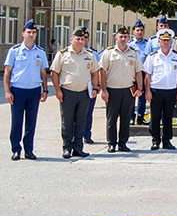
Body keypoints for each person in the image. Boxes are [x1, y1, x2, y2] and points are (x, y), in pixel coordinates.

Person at [51, 28, 101, 158]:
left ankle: (78, 147)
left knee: (81, 121)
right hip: (68, 92)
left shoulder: (89, 55)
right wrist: (57, 90)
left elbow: (95, 72)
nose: (80, 41)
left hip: (84, 93)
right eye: (77, 39)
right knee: (67, 121)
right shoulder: (63, 54)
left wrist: (95, 88)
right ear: (71, 39)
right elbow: (55, 72)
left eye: (82, 39)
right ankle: (67, 147)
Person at [4, 19, 49, 160]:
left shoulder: (40, 52)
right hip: (18, 90)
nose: (31, 34)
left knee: (31, 122)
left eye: (34, 32)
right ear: (23, 33)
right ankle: (16, 149)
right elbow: (7, 72)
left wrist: (45, 90)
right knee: (17, 122)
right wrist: (7, 91)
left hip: (34, 91)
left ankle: (29, 150)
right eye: (28, 32)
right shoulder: (14, 51)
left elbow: (43, 73)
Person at [98, 27, 143, 153]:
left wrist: (140, 88)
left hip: (128, 91)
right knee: (112, 119)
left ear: (128, 39)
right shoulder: (108, 53)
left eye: (125, 37)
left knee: (125, 118)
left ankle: (123, 143)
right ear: (115, 38)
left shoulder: (133, 53)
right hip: (112, 90)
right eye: (120, 37)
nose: (123, 39)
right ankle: (111, 143)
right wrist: (104, 90)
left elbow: (138, 71)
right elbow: (102, 72)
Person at [143, 28, 177, 150]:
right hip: (156, 90)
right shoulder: (152, 57)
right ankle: (155, 140)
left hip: (171, 90)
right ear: (159, 42)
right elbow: (147, 75)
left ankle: (167, 140)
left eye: (168, 40)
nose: (166, 42)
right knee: (155, 116)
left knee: (168, 117)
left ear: (171, 41)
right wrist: (148, 91)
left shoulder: (176, 56)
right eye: (163, 40)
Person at [129, 19, 151, 125]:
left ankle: (141, 117)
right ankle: (131, 116)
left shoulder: (148, 44)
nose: (139, 32)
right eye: (137, 30)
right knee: (132, 95)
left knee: (142, 95)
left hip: (143, 72)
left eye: (141, 30)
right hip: (132, 72)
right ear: (133, 31)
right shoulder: (130, 45)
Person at [81, 26, 99, 144]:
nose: (83, 40)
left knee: (88, 112)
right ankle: (74, 136)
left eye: (86, 37)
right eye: (81, 37)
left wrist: (97, 87)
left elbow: (98, 71)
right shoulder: (67, 52)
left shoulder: (94, 54)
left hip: (89, 87)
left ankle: (87, 134)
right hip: (75, 87)